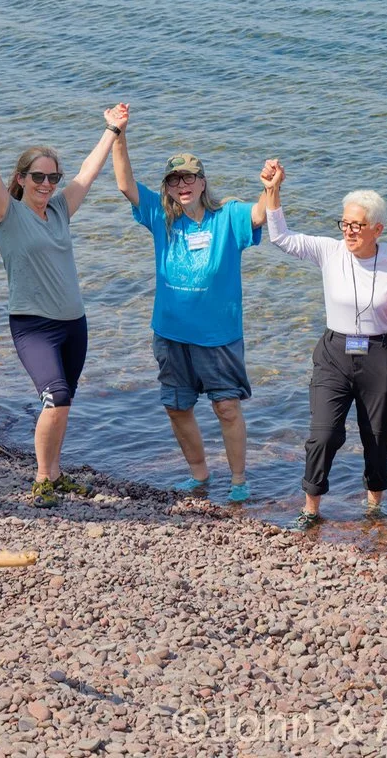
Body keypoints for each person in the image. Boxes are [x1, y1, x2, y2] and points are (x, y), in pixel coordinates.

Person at [0, 102, 123, 507]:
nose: (47, 184)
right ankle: (41, 479)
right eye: (38, 176)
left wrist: (112, 130)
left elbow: (88, 172)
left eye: (53, 177)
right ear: (21, 178)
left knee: (64, 401)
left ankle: (55, 473)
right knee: (54, 397)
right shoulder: (7, 212)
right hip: (34, 325)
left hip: (75, 324)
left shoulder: (59, 209)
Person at [112, 123, 266, 502]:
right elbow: (124, 184)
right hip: (170, 334)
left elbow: (262, 214)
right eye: (174, 180)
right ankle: (199, 475)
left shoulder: (228, 216)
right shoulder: (160, 217)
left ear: (202, 182)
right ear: (167, 187)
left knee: (226, 407)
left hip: (219, 337)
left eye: (189, 178)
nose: (182, 185)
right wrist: (119, 134)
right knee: (177, 407)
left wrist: (271, 186)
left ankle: (238, 481)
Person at [259, 161, 387, 530]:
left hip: (380, 354)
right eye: (344, 223)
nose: (349, 231)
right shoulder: (329, 250)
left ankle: (374, 507)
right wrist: (273, 190)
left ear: (377, 229)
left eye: (357, 225)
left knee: (377, 435)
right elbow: (282, 238)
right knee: (324, 433)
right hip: (334, 354)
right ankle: (311, 508)